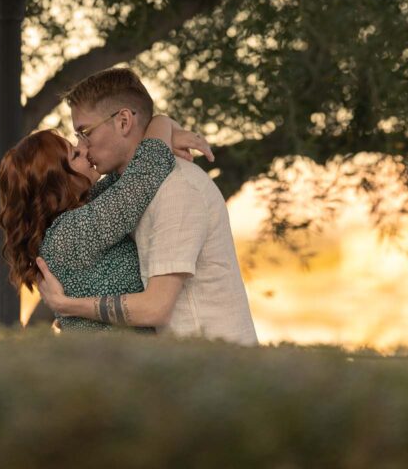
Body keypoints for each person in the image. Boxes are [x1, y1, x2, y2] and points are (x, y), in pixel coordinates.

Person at [37, 67, 258, 344]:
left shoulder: (176, 189)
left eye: (85, 132)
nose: (82, 146)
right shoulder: (128, 189)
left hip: (214, 369)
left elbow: (156, 308)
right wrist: (165, 127)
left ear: (123, 121)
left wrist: (70, 306)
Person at [0, 108, 212, 332]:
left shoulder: (80, 214)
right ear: (57, 186)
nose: (84, 147)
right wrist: (162, 122)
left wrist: (168, 135)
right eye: (75, 154)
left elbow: (130, 166)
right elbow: (146, 171)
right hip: (114, 362)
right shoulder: (71, 234)